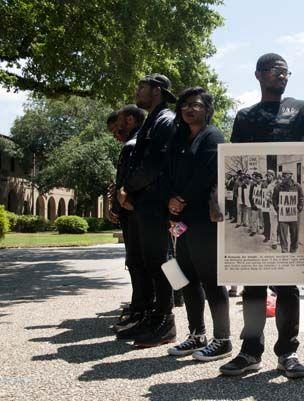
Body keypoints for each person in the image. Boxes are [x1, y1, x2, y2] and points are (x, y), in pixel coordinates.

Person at [219, 53, 304, 379]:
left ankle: (288, 353)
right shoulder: (245, 116)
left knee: (288, 287)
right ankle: (250, 352)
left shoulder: (300, 109)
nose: (283, 76)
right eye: (276, 71)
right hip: (264, 208)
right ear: (259, 74)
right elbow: (232, 157)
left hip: (294, 210)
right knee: (253, 289)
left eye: (287, 72)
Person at [163, 87, 232, 361]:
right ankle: (196, 334)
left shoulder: (212, 136)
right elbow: (168, 171)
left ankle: (223, 339)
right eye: (185, 105)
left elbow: (207, 174)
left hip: (204, 218)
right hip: (180, 219)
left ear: (207, 110)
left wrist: (182, 198)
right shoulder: (178, 137)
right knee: (187, 278)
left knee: (212, 279)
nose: (190, 109)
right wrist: (170, 199)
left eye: (197, 105)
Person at [116, 73, 178, 348]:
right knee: (148, 261)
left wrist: (127, 188)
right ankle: (154, 316)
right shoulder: (153, 120)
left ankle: (166, 321)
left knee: (160, 261)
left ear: (157, 90)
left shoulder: (165, 120)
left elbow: (153, 165)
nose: (136, 91)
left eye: (141, 87)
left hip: (155, 202)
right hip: (145, 202)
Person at [108, 105, 152, 333]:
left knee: (138, 262)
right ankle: (142, 307)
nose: (117, 131)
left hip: (133, 211)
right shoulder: (140, 142)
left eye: (119, 126)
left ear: (131, 120)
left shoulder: (133, 145)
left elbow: (124, 181)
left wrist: (116, 206)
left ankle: (142, 310)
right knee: (141, 262)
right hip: (137, 211)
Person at [272, 171, 304, 253]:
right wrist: (277, 208)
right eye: (283, 175)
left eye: (286, 175)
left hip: (294, 214)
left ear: (291, 176)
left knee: (294, 233)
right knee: (283, 233)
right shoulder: (278, 187)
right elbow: (274, 199)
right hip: (283, 214)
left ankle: (293, 248)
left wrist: (299, 208)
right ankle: (284, 249)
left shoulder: (297, 186)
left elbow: (301, 198)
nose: (284, 177)